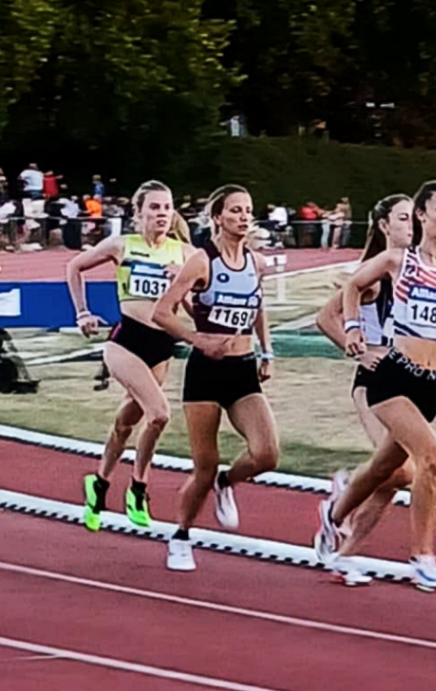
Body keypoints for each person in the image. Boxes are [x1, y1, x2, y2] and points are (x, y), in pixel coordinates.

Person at [314, 180, 436, 590]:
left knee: (384, 468)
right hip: (393, 378)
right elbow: (352, 286)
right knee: (431, 458)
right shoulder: (398, 260)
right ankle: (423, 559)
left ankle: (334, 515)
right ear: (421, 215)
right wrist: (353, 330)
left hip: (435, 383)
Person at [153, 184, 279, 572]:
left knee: (267, 454)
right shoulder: (201, 262)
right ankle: (181, 536)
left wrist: (266, 350)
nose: (244, 217)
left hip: (243, 370)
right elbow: (162, 312)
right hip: (206, 373)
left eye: (248, 210)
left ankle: (228, 483)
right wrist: (198, 339)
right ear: (218, 217)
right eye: (235, 210)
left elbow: (257, 306)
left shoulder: (256, 262)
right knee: (204, 465)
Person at [67, 180, 191, 531]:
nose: (162, 214)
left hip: (161, 347)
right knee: (160, 414)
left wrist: (184, 282)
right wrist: (82, 312)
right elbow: (74, 267)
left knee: (125, 424)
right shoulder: (122, 244)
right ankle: (138, 488)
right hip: (126, 341)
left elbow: (196, 307)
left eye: (167, 207)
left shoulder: (185, 253)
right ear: (139, 213)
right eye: (154, 207)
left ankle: (98, 484)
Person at [315, 194, 415, 584]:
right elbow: (326, 317)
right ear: (385, 226)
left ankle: (346, 553)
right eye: (403, 218)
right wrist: (356, 349)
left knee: (394, 476)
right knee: (401, 472)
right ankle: (341, 501)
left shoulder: (417, 272)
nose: (412, 225)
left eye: (414, 218)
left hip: (409, 383)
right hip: (374, 383)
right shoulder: (372, 276)